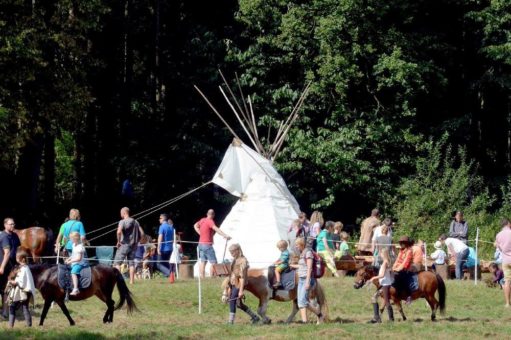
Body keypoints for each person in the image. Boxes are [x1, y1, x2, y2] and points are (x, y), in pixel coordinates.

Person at [290, 237, 324, 324]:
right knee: (300, 302)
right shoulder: (302, 253)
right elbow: (302, 266)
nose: (296, 247)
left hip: (306, 279)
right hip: (301, 279)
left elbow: (309, 268)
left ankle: (319, 314)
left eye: (297, 245)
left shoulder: (308, 253)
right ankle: (305, 322)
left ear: (302, 244)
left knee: (303, 301)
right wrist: (292, 266)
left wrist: (308, 281)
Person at [225, 243, 260, 324]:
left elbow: (242, 277)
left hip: (239, 284)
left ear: (238, 250)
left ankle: (230, 321)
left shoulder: (243, 261)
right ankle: (255, 317)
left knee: (232, 301)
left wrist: (241, 291)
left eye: (233, 252)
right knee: (239, 304)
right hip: (233, 283)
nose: (232, 254)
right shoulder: (234, 260)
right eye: (230, 252)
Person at [194, 209, 231, 278]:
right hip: (207, 245)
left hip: (200, 244)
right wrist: (225, 235)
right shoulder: (210, 221)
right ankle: (212, 277)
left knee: (203, 261)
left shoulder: (202, 220)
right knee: (214, 262)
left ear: (207, 214)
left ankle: (202, 277)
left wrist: (200, 233)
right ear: (213, 215)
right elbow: (216, 229)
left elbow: (195, 226)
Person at [114, 207, 145, 284]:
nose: (120, 214)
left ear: (124, 213)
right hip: (133, 246)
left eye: (121, 213)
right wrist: (138, 240)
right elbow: (142, 233)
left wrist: (118, 241)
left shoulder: (122, 221)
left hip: (124, 245)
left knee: (117, 263)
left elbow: (118, 232)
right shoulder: (135, 222)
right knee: (131, 263)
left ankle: (117, 281)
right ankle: (132, 281)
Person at [6, 249, 35, 328]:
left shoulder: (23, 269)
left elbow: (20, 282)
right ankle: (29, 326)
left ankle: (10, 326)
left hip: (22, 292)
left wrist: (11, 281)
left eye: (17, 256)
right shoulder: (25, 268)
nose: (16, 257)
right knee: (25, 308)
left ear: (22, 259)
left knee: (12, 307)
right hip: (25, 291)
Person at [0, 218, 21, 319]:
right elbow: (7, 253)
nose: (13, 226)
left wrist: (18, 263)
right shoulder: (4, 237)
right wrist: (2, 267)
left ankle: (5, 311)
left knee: (7, 288)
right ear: (5, 225)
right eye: (10, 224)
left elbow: (16, 250)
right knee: (3, 288)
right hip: (2, 265)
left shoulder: (15, 235)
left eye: (13, 224)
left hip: (11, 266)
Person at [368, 247, 394, 323]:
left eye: (381, 253)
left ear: (384, 254)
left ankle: (391, 319)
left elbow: (382, 275)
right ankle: (377, 318)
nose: (380, 255)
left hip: (385, 285)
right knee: (374, 298)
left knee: (386, 301)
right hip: (384, 284)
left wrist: (373, 278)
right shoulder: (387, 262)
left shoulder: (385, 263)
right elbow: (391, 273)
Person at [65, 231, 89, 296]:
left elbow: (79, 258)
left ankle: (76, 289)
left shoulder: (80, 247)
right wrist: (68, 259)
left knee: (73, 272)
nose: (70, 240)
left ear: (75, 239)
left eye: (71, 239)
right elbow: (73, 255)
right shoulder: (74, 245)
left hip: (79, 263)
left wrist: (70, 261)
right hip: (74, 262)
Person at [392, 236, 413, 304]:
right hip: (398, 268)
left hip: (406, 269)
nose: (401, 244)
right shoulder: (401, 251)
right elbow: (397, 260)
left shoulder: (409, 251)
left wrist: (397, 269)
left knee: (401, 278)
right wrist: (393, 268)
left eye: (402, 243)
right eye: (400, 243)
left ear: (406, 243)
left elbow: (405, 263)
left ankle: (409, 296)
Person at [495, 218, 511, 307]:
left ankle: (507, 303)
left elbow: (500, 249)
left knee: (507, 281)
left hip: (505, 261)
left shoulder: (498, 235)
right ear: (508, 223)